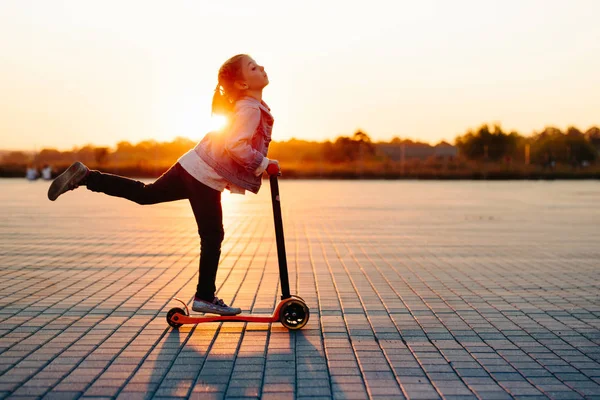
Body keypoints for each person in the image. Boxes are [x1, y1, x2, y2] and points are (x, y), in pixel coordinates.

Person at [47, 54, 279, 316]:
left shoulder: (249, 105)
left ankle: (87, 177)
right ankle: (204, 296)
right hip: (204, 175)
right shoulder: (249, 108)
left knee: (146, 194)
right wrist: (264, 163)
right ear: (242, 85)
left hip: (192, 164)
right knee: (212, 235)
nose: (261, 67)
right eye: (253, 67)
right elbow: (236, 144)